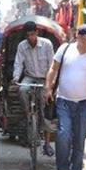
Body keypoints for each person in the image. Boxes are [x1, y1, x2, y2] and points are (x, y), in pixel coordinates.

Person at [44, 24, 86, 170]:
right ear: (79, 36)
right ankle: (62, 169)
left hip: (84, 103)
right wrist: (48, 88)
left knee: (79, 137)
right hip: (63, 100)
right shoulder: (65, 49)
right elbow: (53, 68)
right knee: (63, 134)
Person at [13, 21, 55, 156]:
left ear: (36, 33)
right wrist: (15, 78)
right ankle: (28, 114)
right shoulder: (22, 46)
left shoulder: (47, 44)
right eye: (28, 35)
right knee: (22, 90)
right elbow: (18, 63)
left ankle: (46, 142)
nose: (30, 37)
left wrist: (50, 85)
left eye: (32, 34)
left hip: (44, 79)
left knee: (45, 106)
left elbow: (52, 66)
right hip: (29, 77)